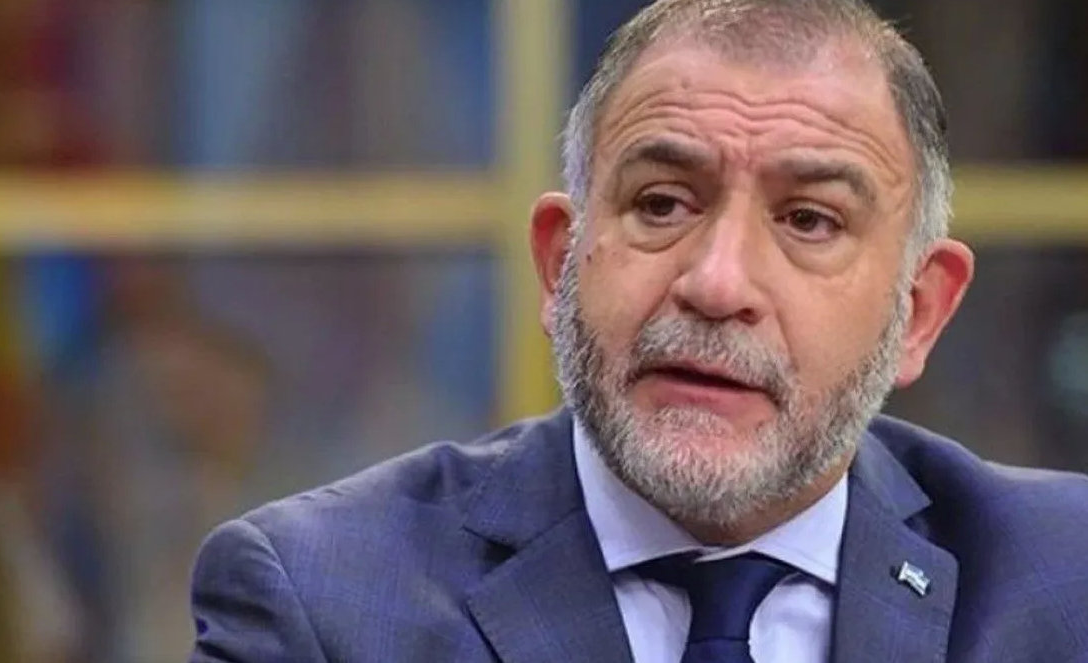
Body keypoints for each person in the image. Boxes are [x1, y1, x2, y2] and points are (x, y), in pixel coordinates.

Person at [188, 0, 1088, 661]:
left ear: (917, 312)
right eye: (660, 204)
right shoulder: (321, 601)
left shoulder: (1064, 581)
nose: (716, 283)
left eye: (808, 220)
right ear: (559, 263)